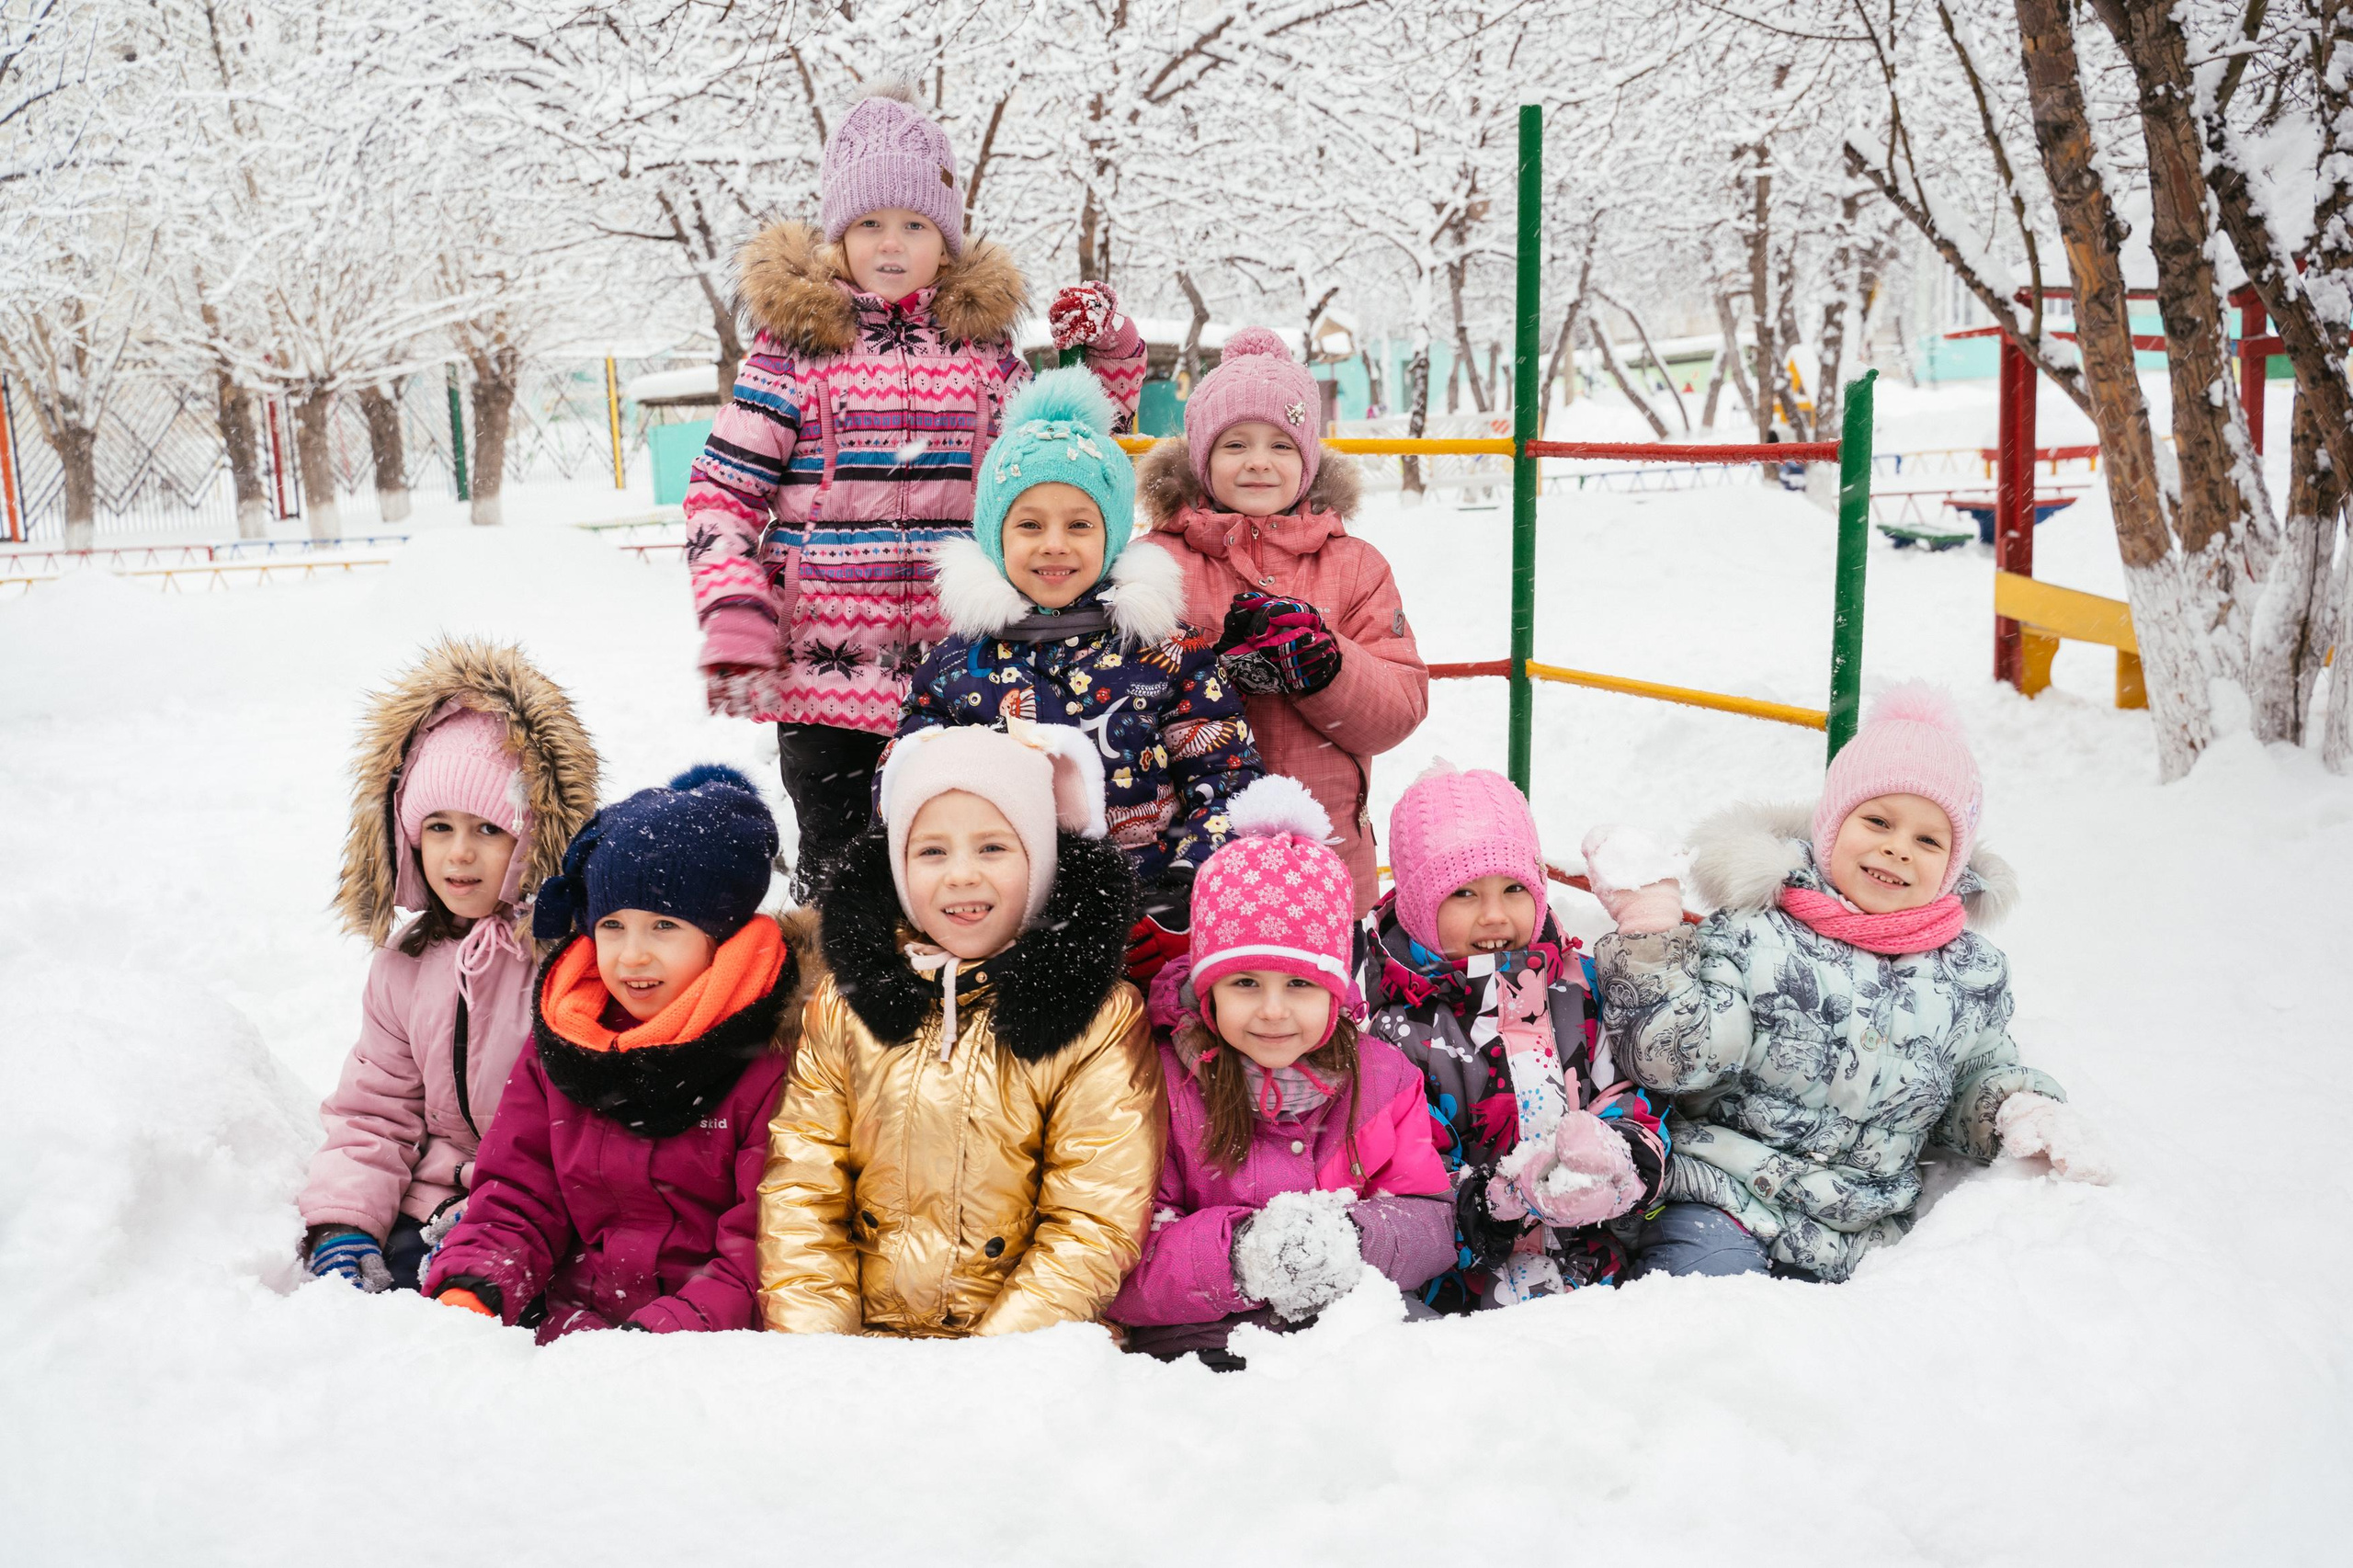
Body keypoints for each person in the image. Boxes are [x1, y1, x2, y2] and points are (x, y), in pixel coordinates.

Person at [685, 85, 1147, 901]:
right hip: (824, 685)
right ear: (837, 235)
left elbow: (1065, 448)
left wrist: (1109, 355)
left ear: (947, 235)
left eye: (914, 224)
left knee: (957, 870)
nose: (891, 244)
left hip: (961, 671)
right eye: (869, 223)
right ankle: (842, 1022)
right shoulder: (793, 355)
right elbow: (721, 494)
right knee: (843, 882)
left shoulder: (982, 356)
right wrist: (733, 606)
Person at [1587, 685, 2112, 1283]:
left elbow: (1972, 1073)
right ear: (1833, 825)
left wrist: (2012, 1106)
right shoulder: (1758, 931)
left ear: (1955, 863)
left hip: (1860, 1233)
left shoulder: (1967, 977)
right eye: (1878, 820)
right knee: (1708, 1317)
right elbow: (1674, 1061)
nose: (1897, 848)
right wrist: (1652, 941)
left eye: (1928, 839)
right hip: (1723, 1194)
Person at [757, 722, 1165, 1336]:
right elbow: (802, 1192)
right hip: (861, 1355)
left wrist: (988, 1366)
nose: (962, 875)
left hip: (1021, 1357)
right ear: (897, 867)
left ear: (1041, 861)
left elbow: (1092, 1220)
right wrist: (823, 1349)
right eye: (932, 851)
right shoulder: (848, 1005)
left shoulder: (1094, 1018)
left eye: (993, 848)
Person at [894, 365, 1262, 970]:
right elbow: (907, 786)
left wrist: (1185, 884)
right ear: (996, 536)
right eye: (1030, 524)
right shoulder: (956, 665)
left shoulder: (1165, 652)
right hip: (998, 928)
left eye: (1079, 524)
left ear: (1112, 536)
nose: (1055, 545)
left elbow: (1225, 774)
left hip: (1141, 926)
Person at [423, 767, 802, 1339]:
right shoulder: (569, 1034)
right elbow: (519, 1194)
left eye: (665, 926)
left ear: (719, 936)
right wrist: (475, 1288)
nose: (631, 957)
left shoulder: (770, 1053)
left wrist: (650, 1343)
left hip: (706, 1357)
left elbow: (762, 1249)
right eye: (613, 925)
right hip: (568, 1332)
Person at [1109, 777, 1453, 1368]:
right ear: (1207, 986)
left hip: (1352, 1328)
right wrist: (1240, 1255)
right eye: (1245, 983)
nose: (1272, 1010)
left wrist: (1353, 1242)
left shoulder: (1383, 1080)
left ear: (1335, 991)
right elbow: (1123, 1263)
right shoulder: (1158, 1086)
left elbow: (1430, 1220)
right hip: (1199, 1346)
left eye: (1299, 984)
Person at [297, 639, 599, 1293]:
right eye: (439, 827)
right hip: (432, 1206)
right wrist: (344, 1221)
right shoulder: (403, 966)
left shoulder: (574, 958)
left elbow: (588, 1126)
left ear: (534, 835)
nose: (459, 855)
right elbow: (375, 1113)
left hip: (549, 1212)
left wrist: (502, 1212)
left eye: (489, 830)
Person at [1137, 327, 1427, 915]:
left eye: (1281, 445)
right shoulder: (1155, 563)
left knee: (1319, 1001)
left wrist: (1327, 667)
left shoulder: (1355, 565)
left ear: (1308, 457)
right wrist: (1207, 672)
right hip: (1191, 857)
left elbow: (1398, 712)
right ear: (1202, 458)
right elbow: (1121, 696)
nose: (1259, 464)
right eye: (1235, 444)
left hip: (1325, 857)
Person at [1365, 763, 1668, 1310]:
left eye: (1513, 889)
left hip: (1599, 1270)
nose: (1495, 916)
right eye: (1462, 894)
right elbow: (1405, 1178)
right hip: (1459, 1289)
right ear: (1415, 902)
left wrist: (1621, 1158)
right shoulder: (1392, 1030)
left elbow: (1636, 1097)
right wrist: (1493, 1200)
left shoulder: (1581, 990)